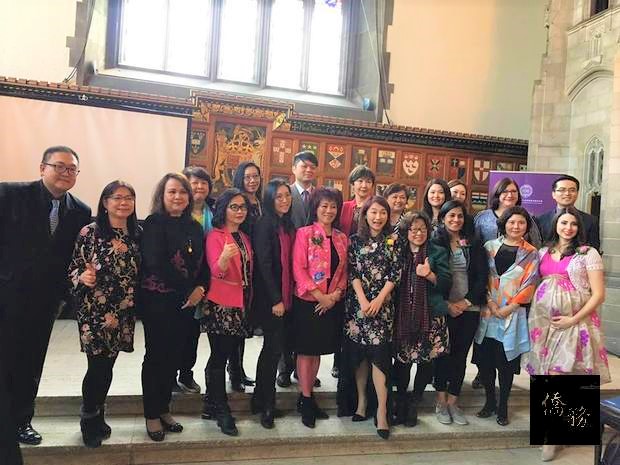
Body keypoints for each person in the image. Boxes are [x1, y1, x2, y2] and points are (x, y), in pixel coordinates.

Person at [0, 146, 91, 445]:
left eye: (72, 169)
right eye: (59, 166)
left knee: (31, 362)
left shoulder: (80, 210)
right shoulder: (9, 194)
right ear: (42, 168)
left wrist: (64, 295)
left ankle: (21, 420)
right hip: (6, 294)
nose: (66, 173)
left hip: (45, 302)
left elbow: (73, 258)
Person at [522, 207, 610, 462]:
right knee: (547, 376)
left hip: (576, 322)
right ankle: (559, 431)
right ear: (555, 225)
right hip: (544, 324)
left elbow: (598, 294)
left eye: (573, 223)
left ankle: (552, 437)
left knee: (561, 375)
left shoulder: (588, 253)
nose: (568, 227)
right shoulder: (543, 252)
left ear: (579, 227)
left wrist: (573, 318)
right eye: (564, 222)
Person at [67, 181, 141, 447]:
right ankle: (88, 419)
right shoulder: (90, 232)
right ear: (105, 202)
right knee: (97, 366)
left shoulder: (137, 233)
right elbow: (73, 268)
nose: (124, 202)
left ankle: (99, 413)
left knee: (108, 365)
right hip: (95, 311)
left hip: (123, 311)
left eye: (129, 197)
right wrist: (82, 276)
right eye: (117, 197)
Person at [140, 173, 208, 441]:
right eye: (172, 192)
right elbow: (155, 263)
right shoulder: (154, 223)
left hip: (187, 303)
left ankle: (164, 408)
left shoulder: (194, 226)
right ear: (162, 195)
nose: (178, 196)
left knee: (174, 357)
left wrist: (201, 287)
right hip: (159, 301)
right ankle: (151, 414)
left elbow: (203, 263)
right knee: (156, 357)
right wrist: (189, 290)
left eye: (182, 192)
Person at [474, 206, 539, 427]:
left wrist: (508, 308)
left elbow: (530, 284)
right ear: (504, 224)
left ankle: (502, 406)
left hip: (513, 314)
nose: (516, 226)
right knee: (485, 362)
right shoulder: (489, 247)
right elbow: (481, 277)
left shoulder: (531, 252)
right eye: (512, 222)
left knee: (505, 364)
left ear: (527, 226)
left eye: (521, 223)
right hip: (488, 312)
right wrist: (492, 303)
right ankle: (489, 402)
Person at [344, 196, 402, 440]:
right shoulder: (354, 240)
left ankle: (382, 411)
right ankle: (361, 402)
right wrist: (363, 300)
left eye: (382, 213)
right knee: (360, 357)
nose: (378, 217)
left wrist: (379, 300)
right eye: (373, 212)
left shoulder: (394, 241)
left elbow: (395, 273)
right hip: (357, 308)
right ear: (365, 214)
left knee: (379, 359)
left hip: (383, 308)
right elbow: (352, 272)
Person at [292, 187, 348, 428]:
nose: (329, 210)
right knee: (306, 351)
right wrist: (319, 296)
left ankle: (308, 396)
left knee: (317, 352)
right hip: (308, 303)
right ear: (315, 208)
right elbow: (298, 268)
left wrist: (334, 296)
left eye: (333, 206)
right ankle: (305, 399)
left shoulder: (341, 238)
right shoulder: (304, 233)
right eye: (324, 206)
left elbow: (345, 271)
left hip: (330, 302)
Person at [200, 188, 253, 436]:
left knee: (225, 353)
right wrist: (222, 259)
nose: (240, 211)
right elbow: (216, 272)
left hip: (240, 303)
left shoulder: (244, 236)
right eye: (234, 207)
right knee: (219, 356)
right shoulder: (215, 236)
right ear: (224, 209)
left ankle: (210, 403)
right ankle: (221, 409)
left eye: (243, 207)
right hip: (221, 303)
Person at [392, 210, 451, 428]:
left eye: (423, 229)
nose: (419, 233)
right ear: (406, 231)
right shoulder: (398, 251)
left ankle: (415, 401)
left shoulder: (436, 251)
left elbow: (446, 283)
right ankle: (401, 399)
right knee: (403, 361)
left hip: (430, 317)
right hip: (402, 315)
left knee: (425, 361)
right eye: (414, 229)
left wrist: (429, 274)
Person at [432, 201, 488, 426]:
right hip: (443, 308)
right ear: (443, 218)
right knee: (442, 356)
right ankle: (440, 401)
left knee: (460, 356)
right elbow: (431, 278)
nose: (456, 220)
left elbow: (482, 277)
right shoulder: (435, 241)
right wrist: (447, 305)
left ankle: (453, 401)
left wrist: (465, 302)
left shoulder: (473, 242)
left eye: (460, 216)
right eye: (451, 216)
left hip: (469, 308)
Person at [250, 180, 295, 429]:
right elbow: (264, 265)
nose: (284, 200)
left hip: (287, 297)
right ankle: (266, 404)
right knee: (272, 351)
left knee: (273, 350)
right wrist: (276, 299)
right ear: (269, 199)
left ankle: (260, 398)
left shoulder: (287, 224)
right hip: (271, 299)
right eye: (279, 196)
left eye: (287, 195)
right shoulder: (264, 223)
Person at [170, 166, 214, 395]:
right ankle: (169, 375)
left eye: (203, 182)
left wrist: (202, 286)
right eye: (194, 182)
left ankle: (186, 374)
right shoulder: (176, 214)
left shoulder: (214, 211)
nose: (199, 186)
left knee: (193, 332)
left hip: (205, 280)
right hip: (177, 283)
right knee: (174, 333)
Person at [277, 150, 319, 388]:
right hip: (287, 263)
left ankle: (303, 370)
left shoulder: (319, 197)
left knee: (306, 323)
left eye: (312, 167)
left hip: (314, 271)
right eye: (304, 166)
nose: (308, 170)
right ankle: (284, 368)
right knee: (286, 321)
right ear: (294, 168)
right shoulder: (286, 194)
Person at [231, 161, 262, 391]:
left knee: (244, 324)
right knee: (234, 323)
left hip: (257, 267)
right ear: (240, 178)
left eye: (256, 176)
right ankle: (234, 371)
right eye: (248, 177)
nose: (252, 181)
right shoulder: (237, 201)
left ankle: (239, 369)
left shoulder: (261, 202)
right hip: (239, 264)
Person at [537, 175, 600, 251]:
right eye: (562, 190)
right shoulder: (540, 220)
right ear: (553, 194)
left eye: (572, 190)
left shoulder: (591, 220)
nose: (567, 193)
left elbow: (594, 249)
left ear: (577, 193)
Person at [474, 177, 543, 248]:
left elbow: (536, 245)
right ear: (497, 193)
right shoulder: (483, 217)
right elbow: (474, 244)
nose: (510, 195)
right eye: (505, 191)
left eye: (514, 191)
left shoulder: (528, 217)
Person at [340, 165, 375, 236]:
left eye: (368, 182)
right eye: (360, 181)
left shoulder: (377, 207)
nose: (364, 185)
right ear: (352, 184)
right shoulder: (343, 207)